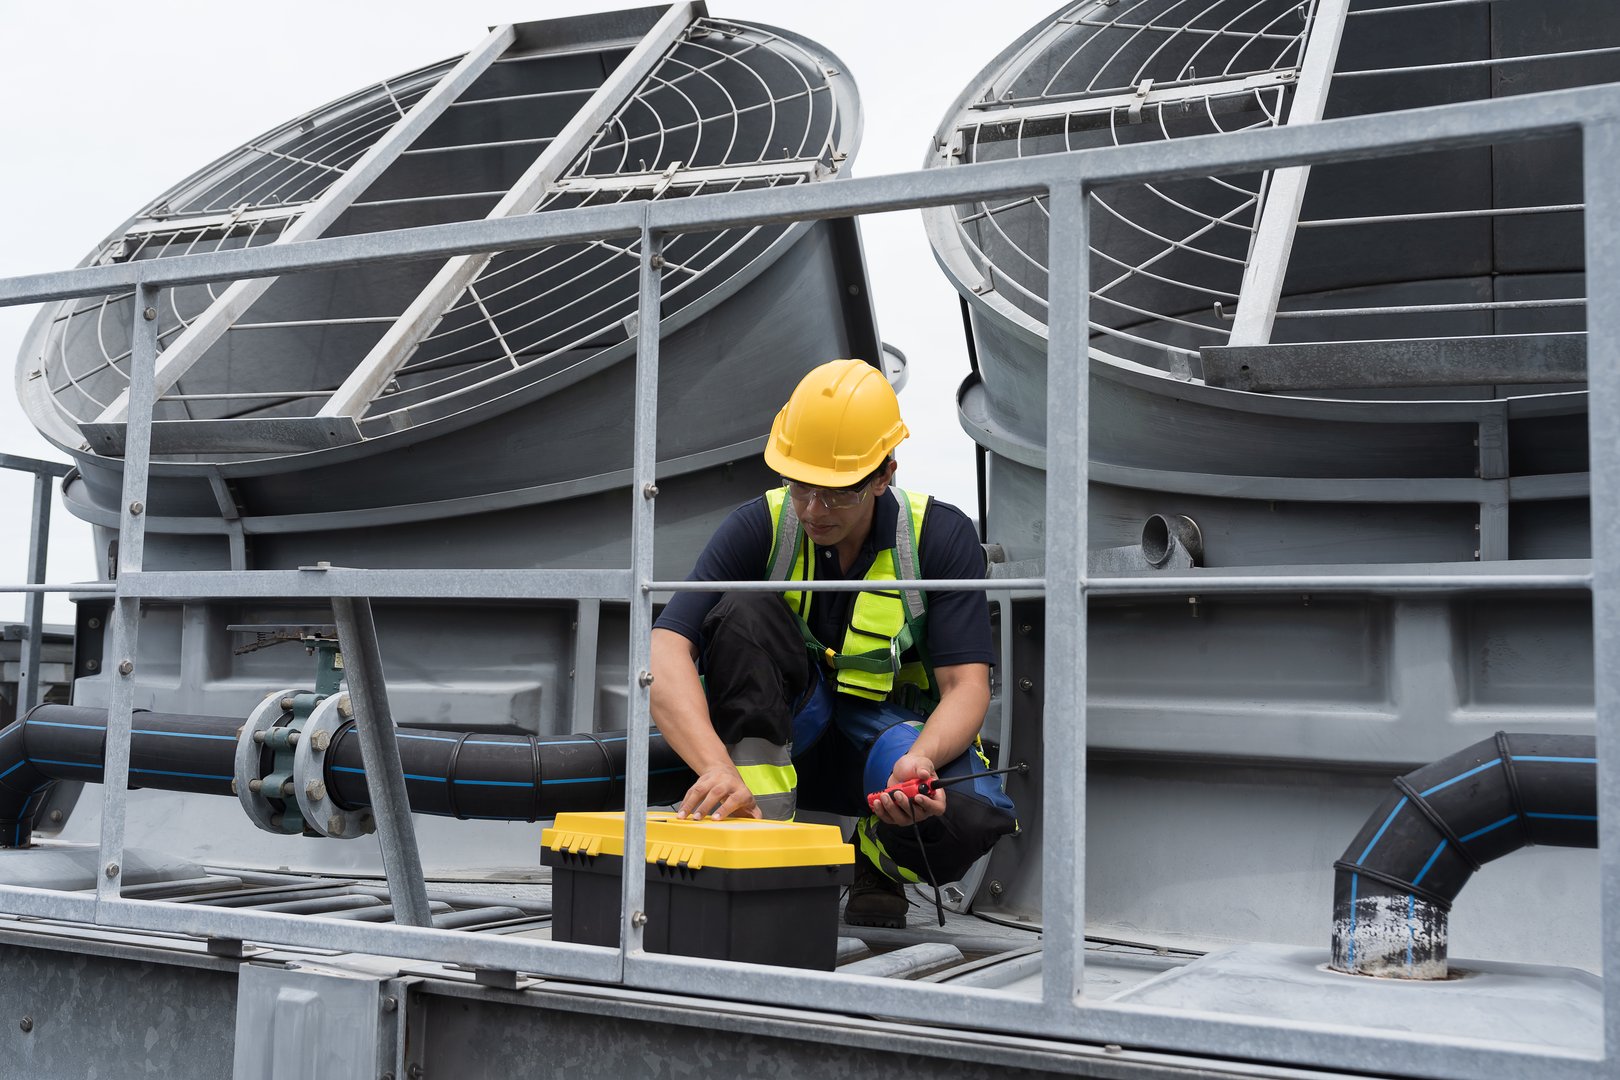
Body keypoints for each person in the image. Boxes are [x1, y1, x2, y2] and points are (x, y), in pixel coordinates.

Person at [650, 358, 1017, 928]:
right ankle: (760, 844)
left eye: (837, 494)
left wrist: (921, 762)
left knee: (965, 814)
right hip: (791, 733)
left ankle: (879, 860)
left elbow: (965, 685)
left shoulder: (940, 539)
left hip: (887, 747)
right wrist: (714, 767)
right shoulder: (760, 526)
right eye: (801, 486)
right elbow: (666, 648)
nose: (814, 510)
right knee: (742, 609)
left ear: (884, 474)